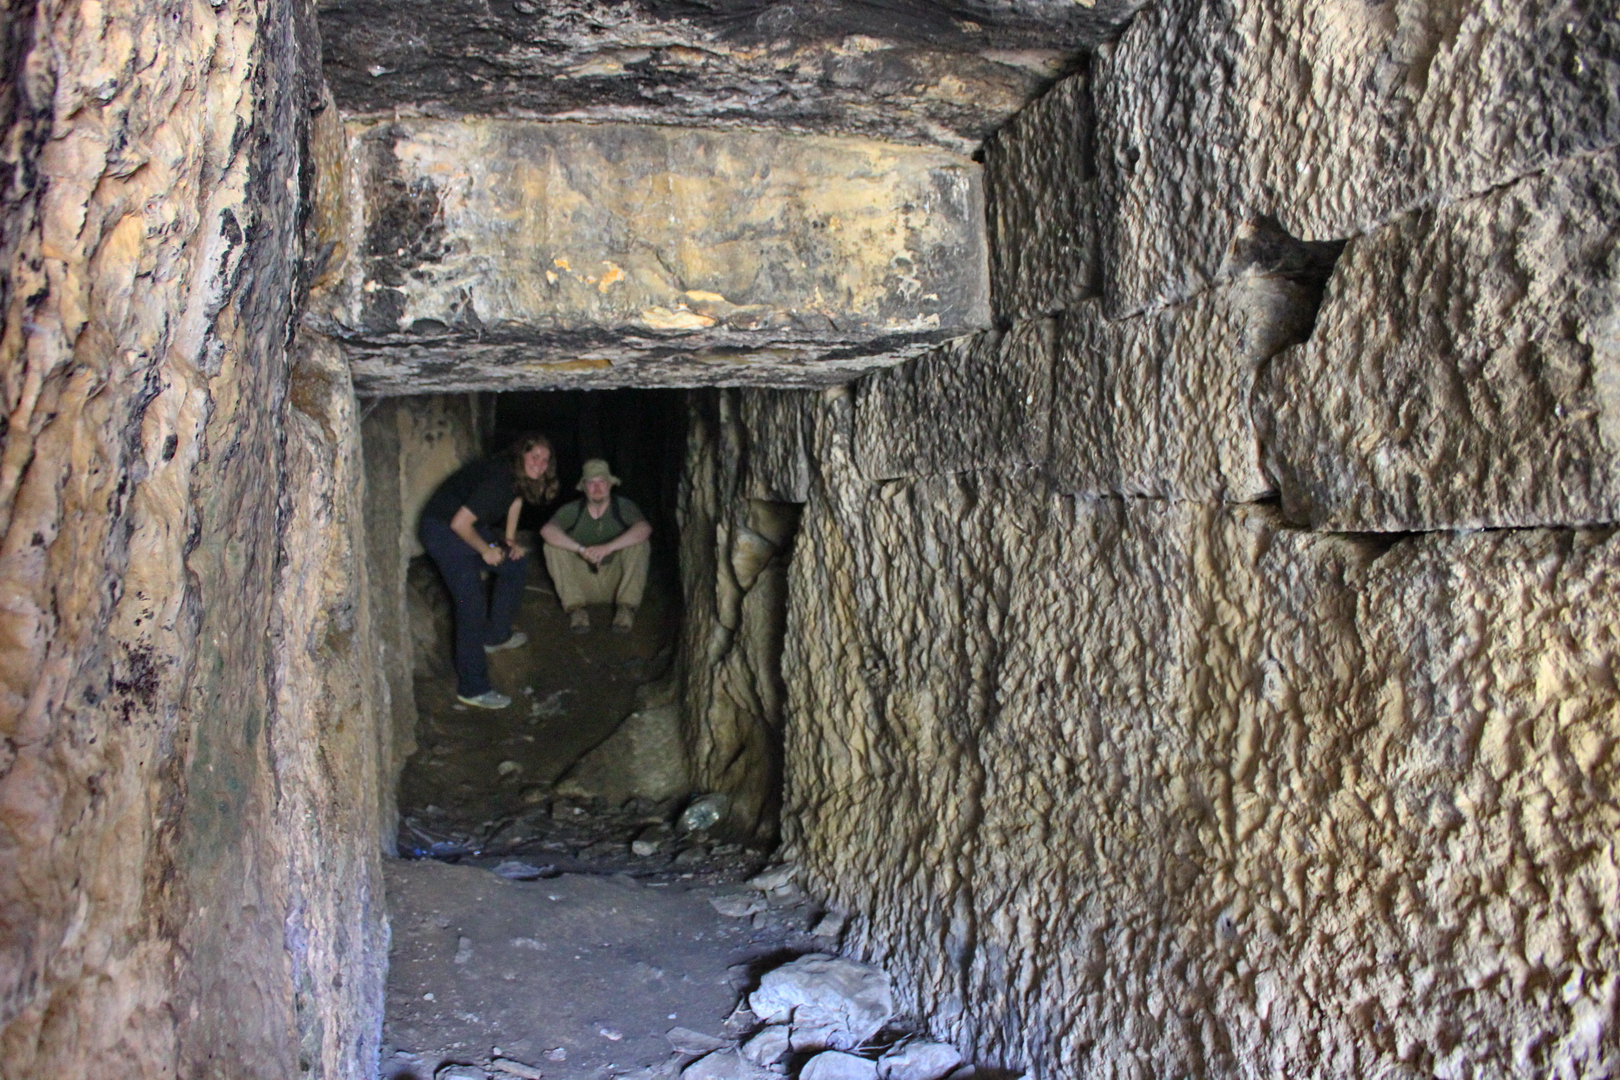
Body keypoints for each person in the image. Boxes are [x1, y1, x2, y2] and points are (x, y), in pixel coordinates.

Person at [418, 434, 559, 709]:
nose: (540, 465)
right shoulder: (499, 480)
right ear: (521, 455)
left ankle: (496, 636)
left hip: (464, 525)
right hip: (442, 530)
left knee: (515, 563)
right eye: (535, 457)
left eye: (545, 460)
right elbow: (460, 524)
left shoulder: (514, 477)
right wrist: (485, 549)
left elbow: (516, 502)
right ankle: (473, 688)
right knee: (471, 605)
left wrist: (508, 541)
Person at [540, 459, 652, 634]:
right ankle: (576, 610)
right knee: (552, 546)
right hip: (583, 583)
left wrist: (607, 548)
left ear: (610, 485)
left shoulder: (623, 506)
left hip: (615, 583)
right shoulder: (573, 510)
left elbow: (644, 529)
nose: (597, 488)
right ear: (584, 487)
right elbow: (547, 530)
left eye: (602, 482)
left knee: (640, 544)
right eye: (591, 483)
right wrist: (581, 550)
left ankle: (626, 609)